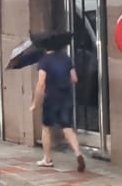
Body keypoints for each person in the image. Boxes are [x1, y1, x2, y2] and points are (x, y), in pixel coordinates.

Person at [32, 42, 85, 172]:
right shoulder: (66, 58)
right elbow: (74, 78)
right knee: (67, 128)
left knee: (46, 128)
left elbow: (41, 83)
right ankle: (78, 153)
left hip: (51, 99)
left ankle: (47, 159)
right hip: (66, 98)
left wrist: (35, 103)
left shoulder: (44, 61)